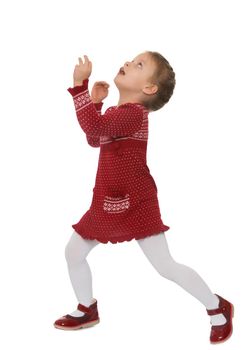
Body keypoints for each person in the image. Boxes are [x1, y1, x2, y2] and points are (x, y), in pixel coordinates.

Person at [53, 51, 234, 343]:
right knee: (73, 253)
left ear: (149, 89)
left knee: (165, 266)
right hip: (106, 202)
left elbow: (94, 128)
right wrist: (96, 104)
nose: (127, 63)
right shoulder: (117, 114)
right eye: (131, 59)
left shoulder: (133, 114)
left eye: (138, 65)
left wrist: (80, 89)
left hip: (136, 202)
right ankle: (87, 308)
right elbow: (94, 138)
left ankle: (218, 307)